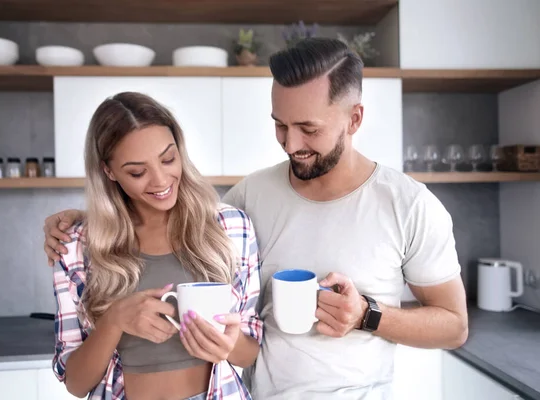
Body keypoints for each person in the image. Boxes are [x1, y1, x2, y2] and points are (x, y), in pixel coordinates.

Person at [44, 38, 468, 399]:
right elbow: (173, 213)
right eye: (280, 125)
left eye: (308, 128)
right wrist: (85, 219)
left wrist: (368, 315)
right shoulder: (250, 197)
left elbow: (454, 327)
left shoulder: (409, 205)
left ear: (354, 118)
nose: (291, 143)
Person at [50, 91, 262, 400]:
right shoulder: (76, 245)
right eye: (137, 172)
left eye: (168, 159)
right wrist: (114, 321)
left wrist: (229, 345)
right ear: (109, 172)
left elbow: (249, 353)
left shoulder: (231, 228)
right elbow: (76, 383)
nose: (161, 180)